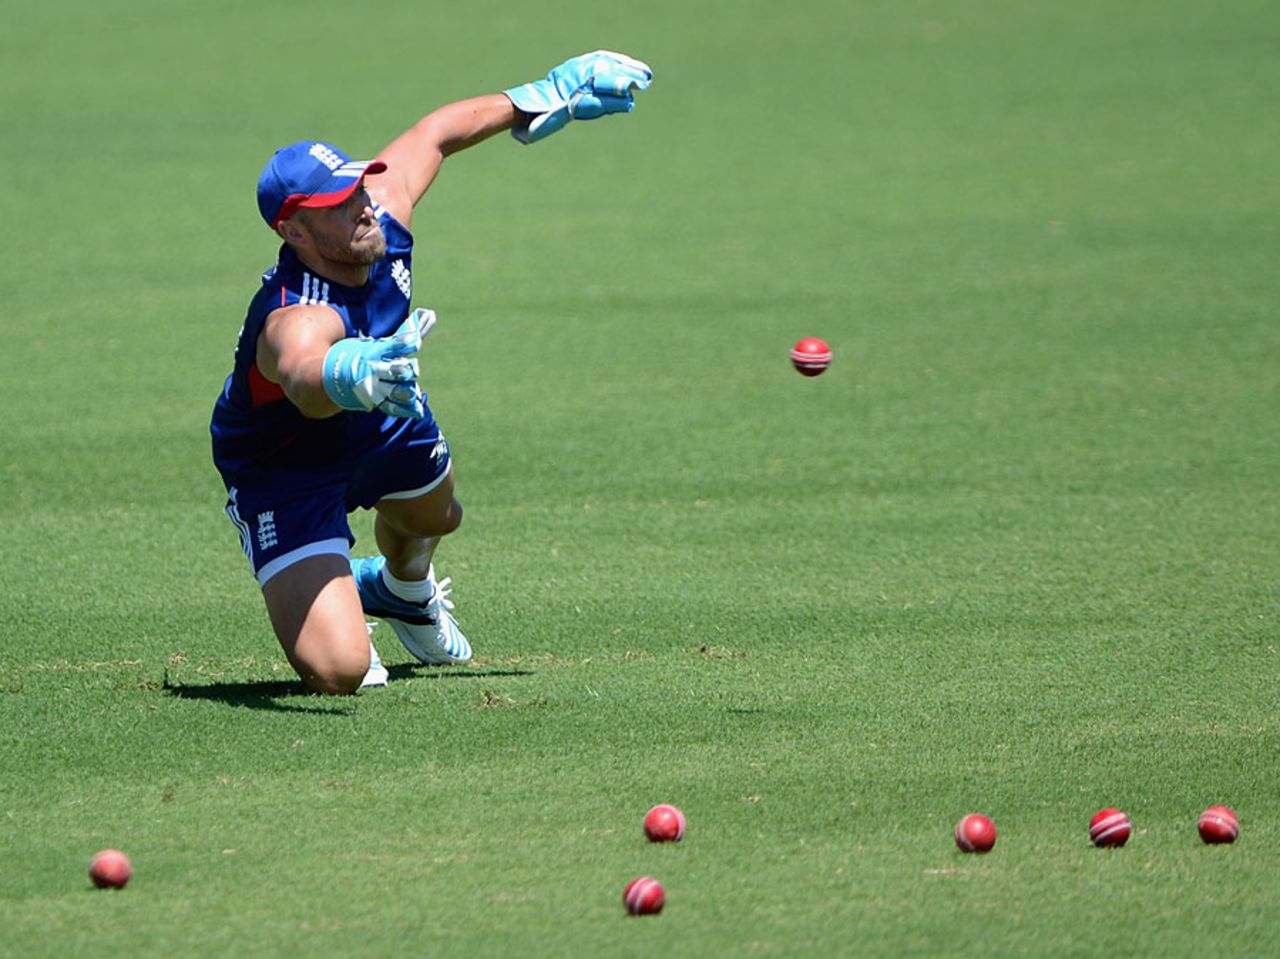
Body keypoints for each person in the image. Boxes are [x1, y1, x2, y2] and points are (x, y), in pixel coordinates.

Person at [210, 51, 653, 694]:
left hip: (381, 413)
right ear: (296, 232)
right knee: (341, 671)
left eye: (357, 187)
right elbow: (303, 373)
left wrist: (539, 94)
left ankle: (402, 591)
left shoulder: (380, 214)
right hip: (284, 466)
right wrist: (346, 371)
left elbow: (435, 134)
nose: (362, 207)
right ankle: (333, 578)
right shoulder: (296, 311)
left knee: (436, 517)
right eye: (339, 204)